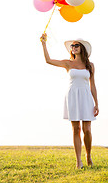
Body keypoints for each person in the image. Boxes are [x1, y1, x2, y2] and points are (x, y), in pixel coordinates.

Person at [40, 33, 99, 169]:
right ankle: (78, 161)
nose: (73, 47)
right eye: (72, 46)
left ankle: (88, 155)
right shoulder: (68, 63)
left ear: (82, 48)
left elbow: (93, 85)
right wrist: (43, 43)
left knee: (87, 129)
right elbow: (48, 60)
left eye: (76, 45)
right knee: (76, 129)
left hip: (85, 96)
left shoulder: (90, 65)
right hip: (72, 95)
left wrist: (96, 103)